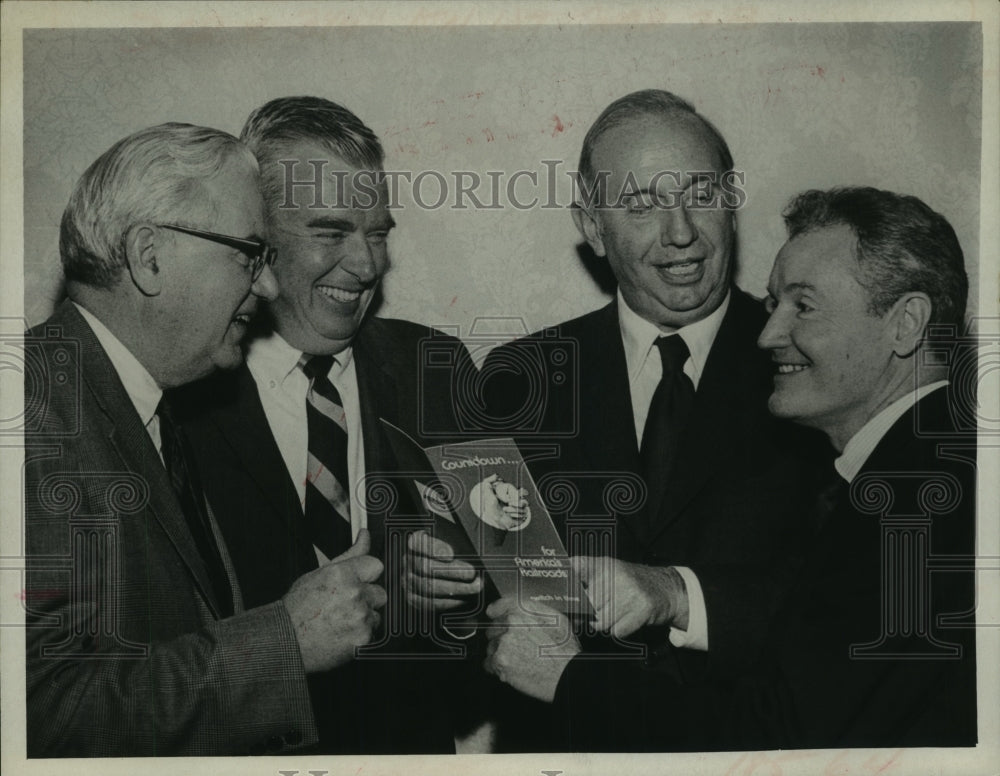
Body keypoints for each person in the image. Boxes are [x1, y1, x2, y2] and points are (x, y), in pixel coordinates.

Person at [405, 89, 827, 750]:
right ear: (594, 227)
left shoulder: (809, 370)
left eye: (701, 194)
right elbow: (485, 625)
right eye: (640, 205)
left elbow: (846, 603)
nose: (681, 232)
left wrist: (676, 591)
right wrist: (444, 596)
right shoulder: (519, 377)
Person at [483, 186, 977, 750]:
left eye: (803, 307)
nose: (768, 336)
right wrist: (671, 596)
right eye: (772, 305)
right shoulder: (924, 471)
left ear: (907, 322)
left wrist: (569, 679)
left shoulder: (918, 503)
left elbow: (781, 739)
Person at [23, 123, 387, 757]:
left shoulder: (148, 403)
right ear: (149, 256)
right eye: (249, 254)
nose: (268, 286)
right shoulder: (30, 418)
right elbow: (39, 716)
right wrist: (285, 642)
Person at [176, 96, 477, 754]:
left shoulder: (435, 367)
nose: (367, 266)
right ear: (258, 238)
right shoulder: (182, 394)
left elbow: (498, 605)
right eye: (331, 233)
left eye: (378, 234)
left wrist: (458, 599)